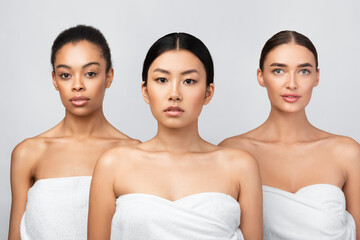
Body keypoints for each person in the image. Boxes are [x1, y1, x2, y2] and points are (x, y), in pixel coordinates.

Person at [88, 32, 263, 240]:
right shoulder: (113, 165)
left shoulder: (240, 166)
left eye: (188, 81)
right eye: (162, 79)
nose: (174, 94)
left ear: (208, 92)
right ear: (145, 91)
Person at [220, 30, 360, 240]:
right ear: (261, 76)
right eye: (279, 71)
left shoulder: (347, 153)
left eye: (303, 71)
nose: (292, 83)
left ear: (316, 77)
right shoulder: (231, 151)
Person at [8, 25, 139, 240]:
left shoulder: (133, 152)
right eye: (66, 75)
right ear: (54, 80)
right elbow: (16, 235)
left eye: (90, 73)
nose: (77, 85)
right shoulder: (28, 153)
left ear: (108, 76)